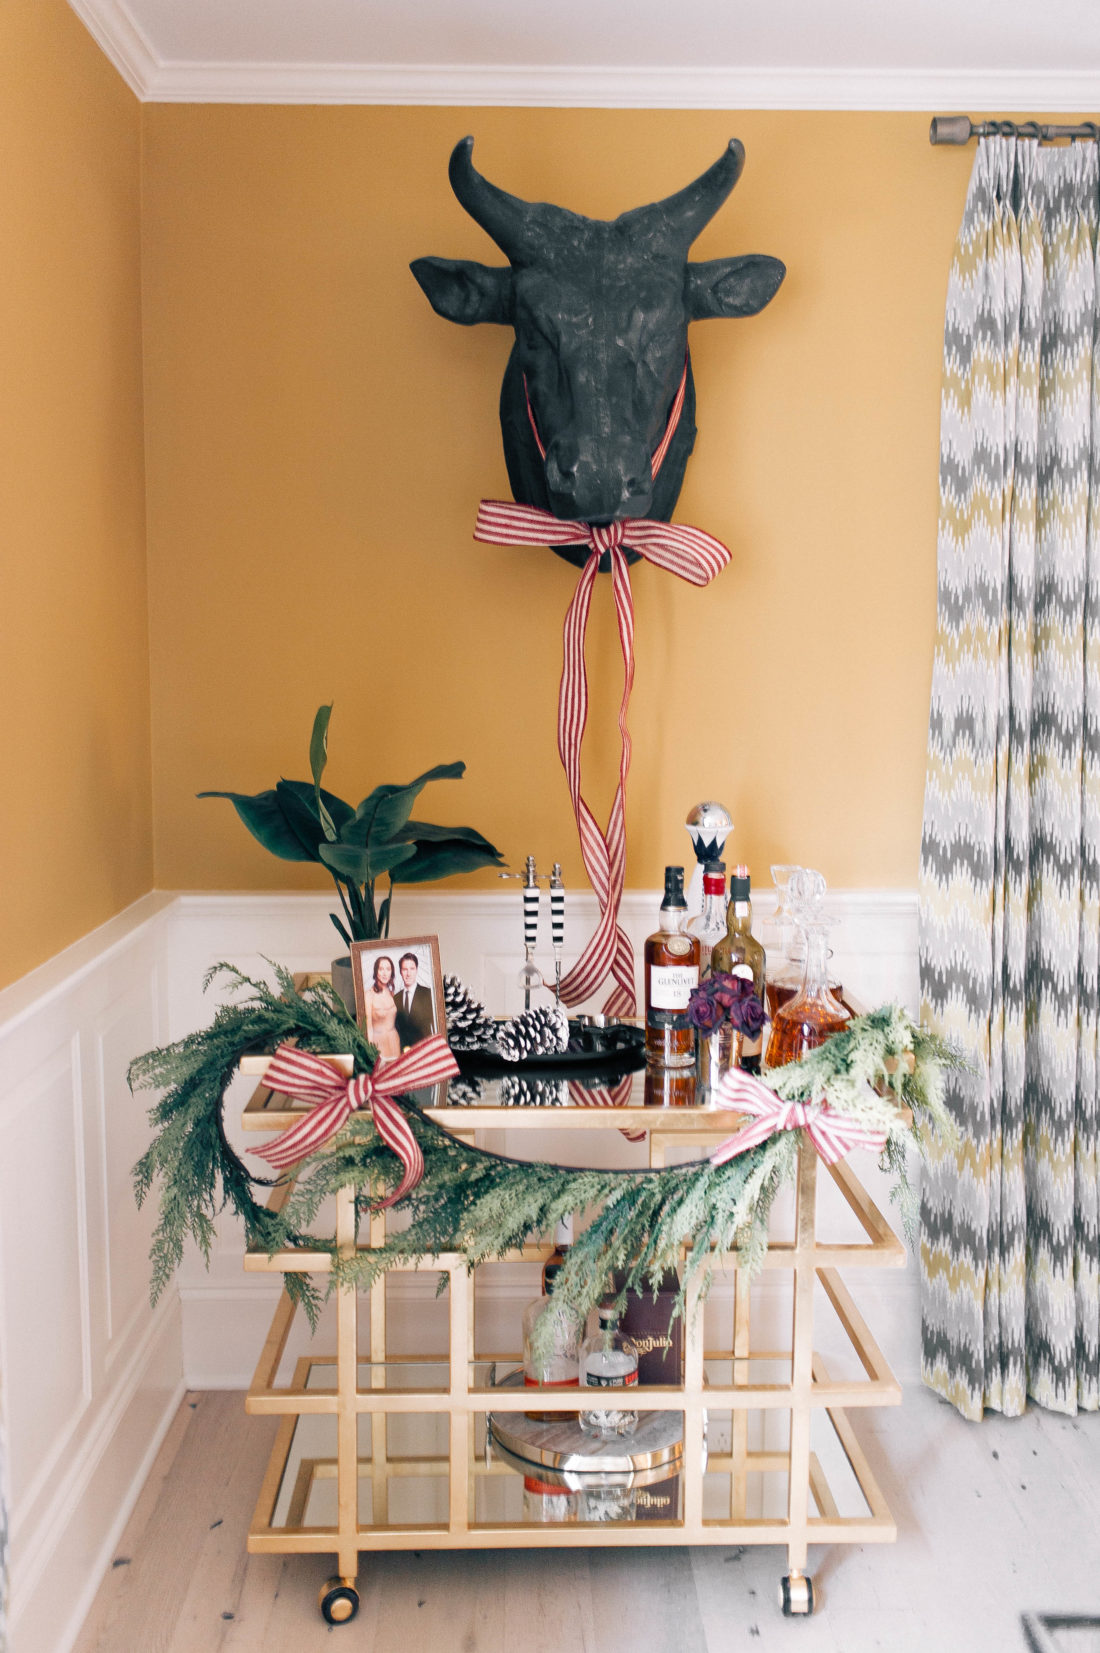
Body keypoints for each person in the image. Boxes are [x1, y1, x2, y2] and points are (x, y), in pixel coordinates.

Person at [364, 955, 401, 1062]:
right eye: (381, 969)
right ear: (376, 972)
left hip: (395, 1041)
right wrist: (370, 1049)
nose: (385, 973)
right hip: (378, 1043)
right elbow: (368, 1025)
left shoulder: (392, 994)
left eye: (388, 969)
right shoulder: (369, 995)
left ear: (392, 973)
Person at [394, 952, 435, 1049]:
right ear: (400, 972)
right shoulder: (395, 998)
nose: (408, 974)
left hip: (424, 1050)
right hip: (402, 1052)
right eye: (405, 969)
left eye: (412, 969)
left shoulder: (428, 994)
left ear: (416, 970)